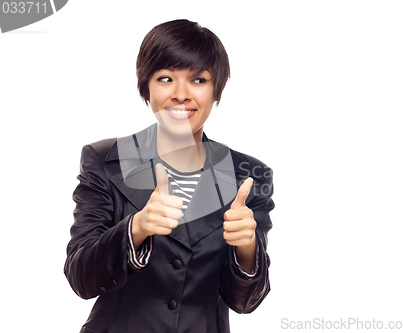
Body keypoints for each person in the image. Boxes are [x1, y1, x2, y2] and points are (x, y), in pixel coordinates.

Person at [64, 19, 274, 333]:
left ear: (217, 91)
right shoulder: (106, 160)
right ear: (145, 87)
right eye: (165, 78)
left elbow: (245, 302)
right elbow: (81, 278)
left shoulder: (248, 175)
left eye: (199, 80)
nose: (180, 94)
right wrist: (136, 228)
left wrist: (246, 248)